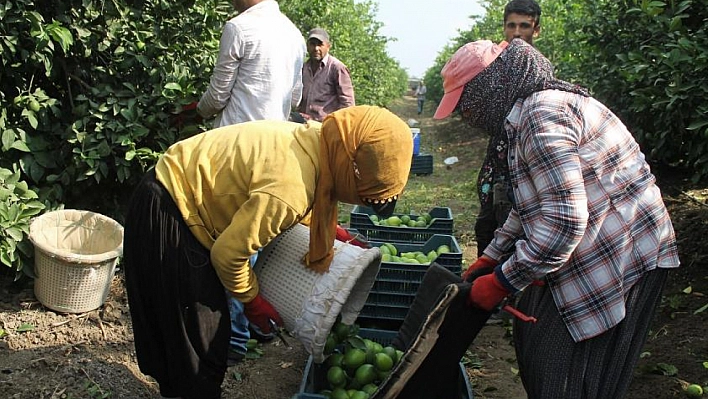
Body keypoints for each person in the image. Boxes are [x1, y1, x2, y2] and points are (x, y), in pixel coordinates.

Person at [434, 39, 680, 398]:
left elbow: (565, 223)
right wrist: (493, 256)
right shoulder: (523, 120)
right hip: (591, 246)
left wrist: (501, 282)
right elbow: (531, 202)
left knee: (569, 378)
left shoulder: (541, 116)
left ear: (489, 88)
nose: (467, 116)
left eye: (466, 104)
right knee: (540, 353)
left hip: (622, 254)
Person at [122, 105, 413, 399]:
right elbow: (228, 255)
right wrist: (252, 301)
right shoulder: (290, 188)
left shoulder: (319, 140)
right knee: (199, 343)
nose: (359, 201)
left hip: (175, 196)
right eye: (364, 194)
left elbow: (303, 194)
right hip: (170, 211)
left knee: (192, 337)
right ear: (350, 162)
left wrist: (328, 229)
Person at [473, 0, 542, 258]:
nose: (516, 32)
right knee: (486, 228)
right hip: (497, 161)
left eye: (524, 26)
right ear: (503, 28)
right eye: (511, 25)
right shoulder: (492, 63)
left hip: (522, 163)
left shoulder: (535, 67)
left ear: (536, 30)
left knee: (515, 229)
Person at [196, 0, 306, 128]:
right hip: (275, 137)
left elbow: (217, 97)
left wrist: (198, 111)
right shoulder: (295, 35)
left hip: (238, 135)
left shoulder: (238, 27)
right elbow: (295, 98)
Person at [297, 28, 355, 122]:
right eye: (313, 44)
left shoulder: (337, 68)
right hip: (303, 124)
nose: (316, 48)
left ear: (328, 46)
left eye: (320, 44)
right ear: (307, 46)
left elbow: (348, 104)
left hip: (326, 125)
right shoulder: (303, 68)